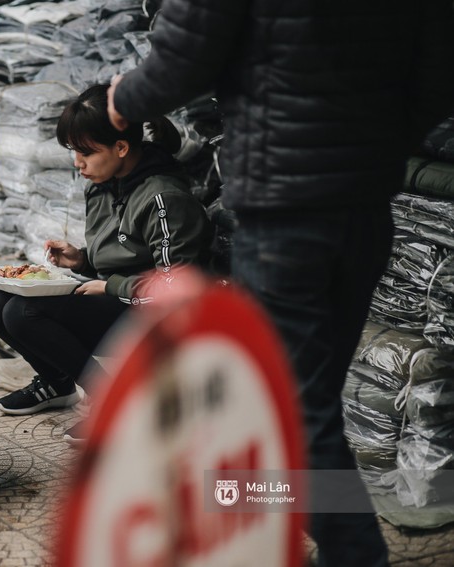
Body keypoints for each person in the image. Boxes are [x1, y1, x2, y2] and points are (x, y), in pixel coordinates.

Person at [107, 2, 454, 566]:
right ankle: (329, 545)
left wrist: (122, 99)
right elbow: (437, 78)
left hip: (285, 215)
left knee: (291, 405)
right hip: (364, 210)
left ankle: (354, 552)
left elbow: (182, 60)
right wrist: (372, 144)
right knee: (311, 401)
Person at [0, 84, 212, 429]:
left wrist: (109, 287)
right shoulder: (103, 186)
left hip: (157, 313)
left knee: (24, 312)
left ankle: (117, 403)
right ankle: (57, 383)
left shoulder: (163, 197)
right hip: (117, 294)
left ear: (120, 147)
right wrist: (81, 261)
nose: (77, 164)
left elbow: (178, 285)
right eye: (73, 152)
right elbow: (127, 253)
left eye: (85, 153)